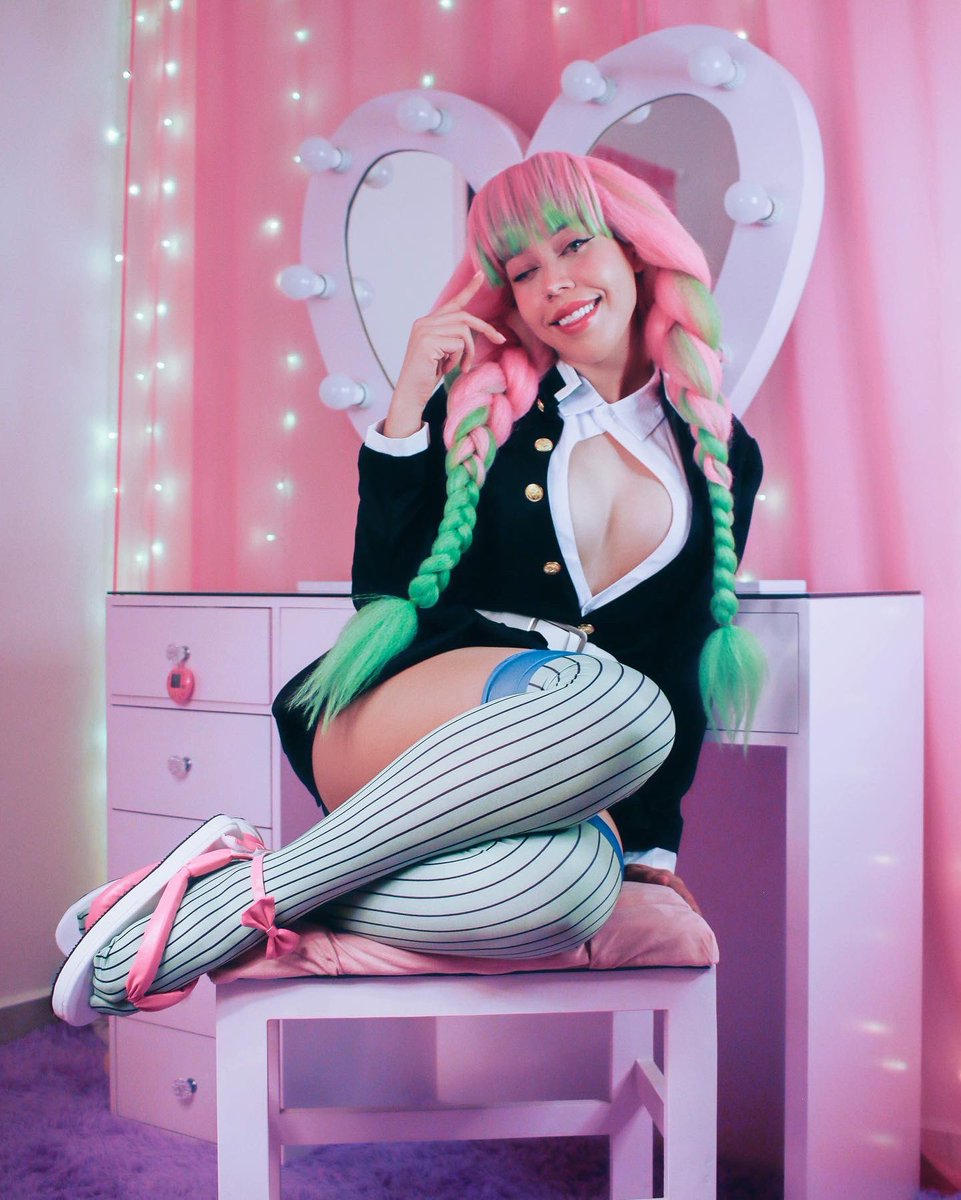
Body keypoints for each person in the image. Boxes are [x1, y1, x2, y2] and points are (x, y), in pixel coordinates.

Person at [53, 151, 762, 1025]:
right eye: (522, 270)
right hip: (405, 710)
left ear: (636, 249)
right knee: (622, 702)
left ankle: (226, 900)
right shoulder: (478, 409)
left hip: (543, 759)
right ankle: (257, 889)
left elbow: (680, 651)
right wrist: (407, 404)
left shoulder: (721, 451)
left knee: (568, 888)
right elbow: (382, 592)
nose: (552, 283)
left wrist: (649, 850)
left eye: (574, 245)